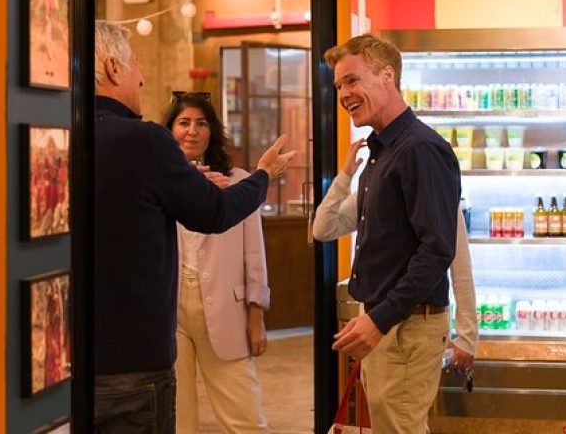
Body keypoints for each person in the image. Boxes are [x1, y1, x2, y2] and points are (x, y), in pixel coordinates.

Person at [93, 21, 295, 433]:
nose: (143, 77)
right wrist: (263, 176)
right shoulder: (144, 142)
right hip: (138, 354)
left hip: (68, 361)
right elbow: (214, 213)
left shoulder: (52, 134)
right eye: (135, 66)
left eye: (200, 123)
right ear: (114, 68)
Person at [324, 34, 461, 433]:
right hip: (389, 325)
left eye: (352, 80)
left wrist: (379, 320)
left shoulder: (420, 148)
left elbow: (437, 251)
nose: (344, 93)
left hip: (404, 329)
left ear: (388, 76)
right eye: (338, 86)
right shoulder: (383, 150)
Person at [312, 138, 477, 372]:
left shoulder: (436, 193)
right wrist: (345, 176)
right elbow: (323, 229)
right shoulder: (371, 194)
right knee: (381, 407)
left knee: (401, 407)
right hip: (371, 323)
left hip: (414, 329)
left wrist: (467, 336)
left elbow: (459, 265)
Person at [164, 93, 270, 434]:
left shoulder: (239, 181)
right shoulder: (159, 183)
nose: (192, 131)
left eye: (201, 123)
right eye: (183, 123)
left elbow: (254, 254)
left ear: (212, 131)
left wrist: (256, 315)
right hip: (170, 312)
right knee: (177, 418)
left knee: (244, 418)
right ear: (170, 130)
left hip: (227, 310)